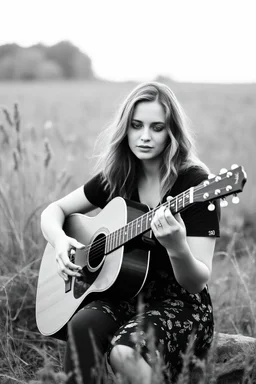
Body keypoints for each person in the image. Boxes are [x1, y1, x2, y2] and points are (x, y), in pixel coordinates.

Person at [40, 82, 220, 384]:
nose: (145, 136)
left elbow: (196, 281)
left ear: (171, 132)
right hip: (122, 295)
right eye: (136, 126)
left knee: (124, 353)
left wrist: (177, 248)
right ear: (126, 128)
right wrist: (60, 242)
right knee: (82, 325)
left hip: (179, 304)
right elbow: (52, 212)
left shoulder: (196, 185)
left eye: (157, 127)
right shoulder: (118, 175)